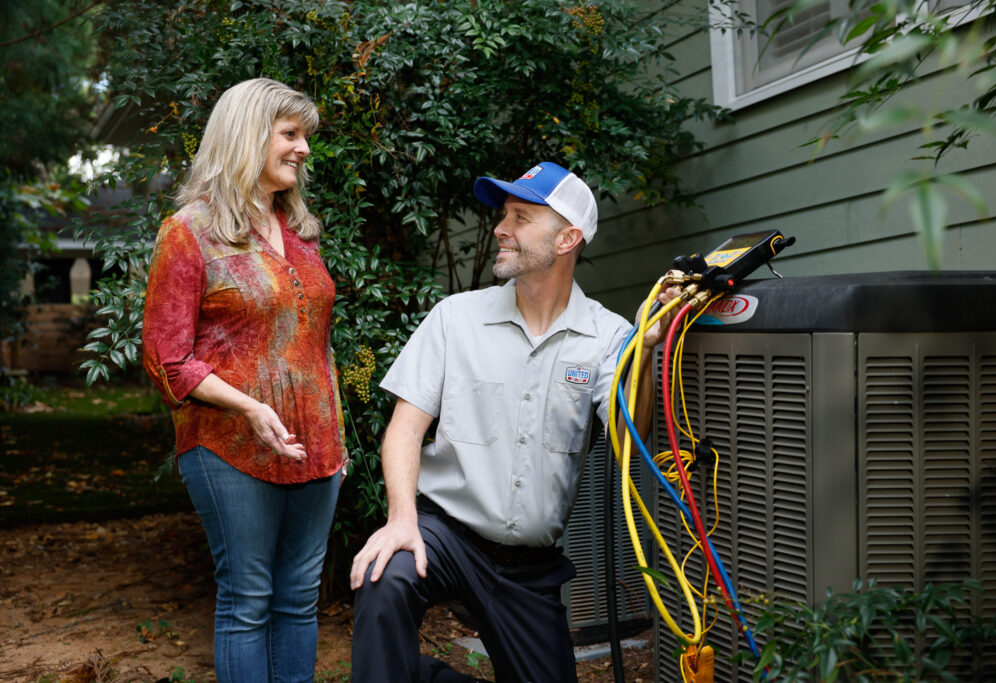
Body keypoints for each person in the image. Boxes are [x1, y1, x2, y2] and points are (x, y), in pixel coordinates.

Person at [348, 161, 670, 682]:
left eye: (521, 217)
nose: (501, 228)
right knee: (386, 578)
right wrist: (402, 519)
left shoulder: (609, 337)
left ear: (567, 238)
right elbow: (405, 429)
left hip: (530, 565)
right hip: (445, 532)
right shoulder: (455, 318)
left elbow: (629, 435)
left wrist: (646, 352)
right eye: (504, 214)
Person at [141, 78, 348, 683]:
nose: (304, 148)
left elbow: (314, 342)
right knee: (248, 600)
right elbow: (164, 357)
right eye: (290, 134)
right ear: (247, 136)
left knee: (299, 598)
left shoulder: (301, 232)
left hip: (316, 446)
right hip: (230, 444)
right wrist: (250, 408)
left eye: (304, 135)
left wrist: (336, 436)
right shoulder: (189, 231)